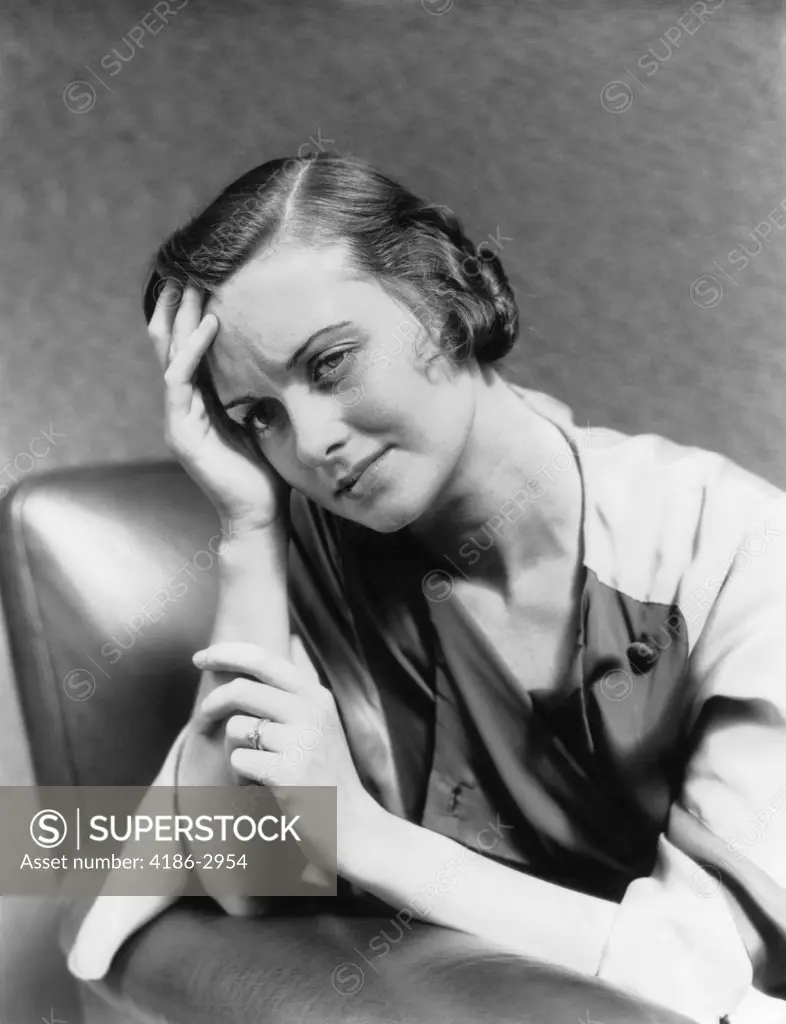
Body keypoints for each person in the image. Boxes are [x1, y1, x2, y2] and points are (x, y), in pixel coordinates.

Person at [64, 153, 786, 1024]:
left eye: (330, 364)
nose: (314, 443)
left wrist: (361, 837)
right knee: (41, 852)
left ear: (444, 297)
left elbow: (698, 973)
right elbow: (240, 876)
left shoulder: (741, 551)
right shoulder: (321, 553)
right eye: (261, 415)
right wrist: (249, 529)